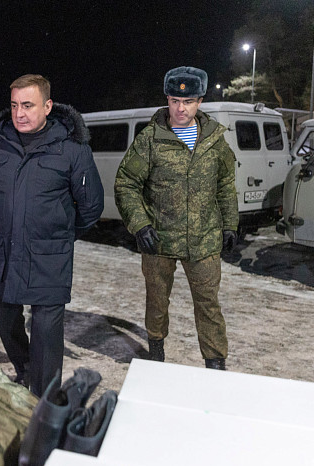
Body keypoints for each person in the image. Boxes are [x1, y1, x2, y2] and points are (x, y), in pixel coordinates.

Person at [0, 74, 104, 396]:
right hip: (3, 251)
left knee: (46, 332)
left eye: (28, 105)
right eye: (14, 105)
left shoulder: (71, 148)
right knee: (5, 320)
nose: (19, 113)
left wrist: (58, 234)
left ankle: (44, 398)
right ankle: (26, 370)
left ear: (47, 106)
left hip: (49, 256)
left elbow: (91, 206)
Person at [114, 66, 238, 370]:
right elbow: (126, 183)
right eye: (174, 101)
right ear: (167, 100)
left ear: (200, 101)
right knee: (157, 302)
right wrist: (140, 224)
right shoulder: (150, 140)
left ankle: (215, 363)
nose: (181, 109)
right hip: (159, 240)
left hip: (204, 239)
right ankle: (156, 349)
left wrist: (230, 224)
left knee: (208, 305)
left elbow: (225, 185)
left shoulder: (214, 141)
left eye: (188, 101)